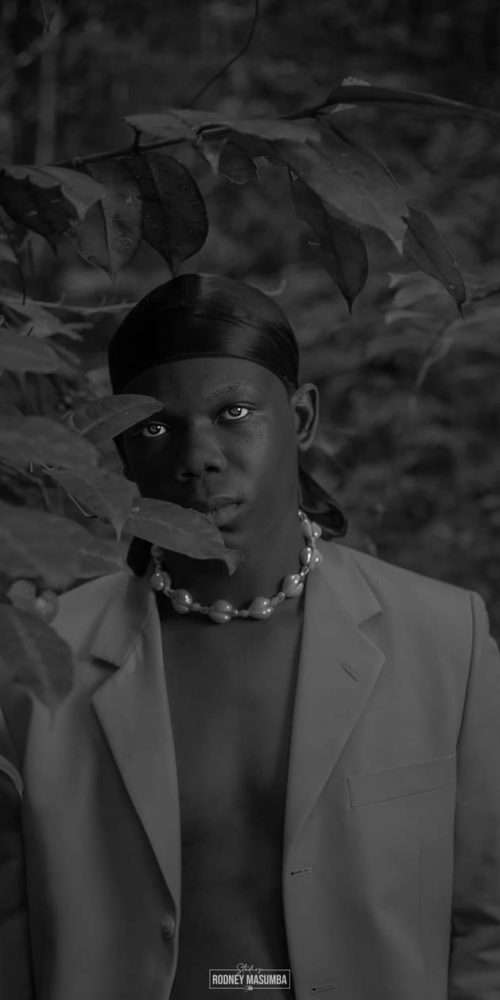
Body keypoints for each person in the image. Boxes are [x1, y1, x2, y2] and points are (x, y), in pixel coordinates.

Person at [1, 272, 500, 1000]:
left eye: (234, 413)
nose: (198, 455)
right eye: (156, 427)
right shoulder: (45, 661)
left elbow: (487, 932)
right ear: (123, 451)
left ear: (301, 418)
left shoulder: (445, 641)